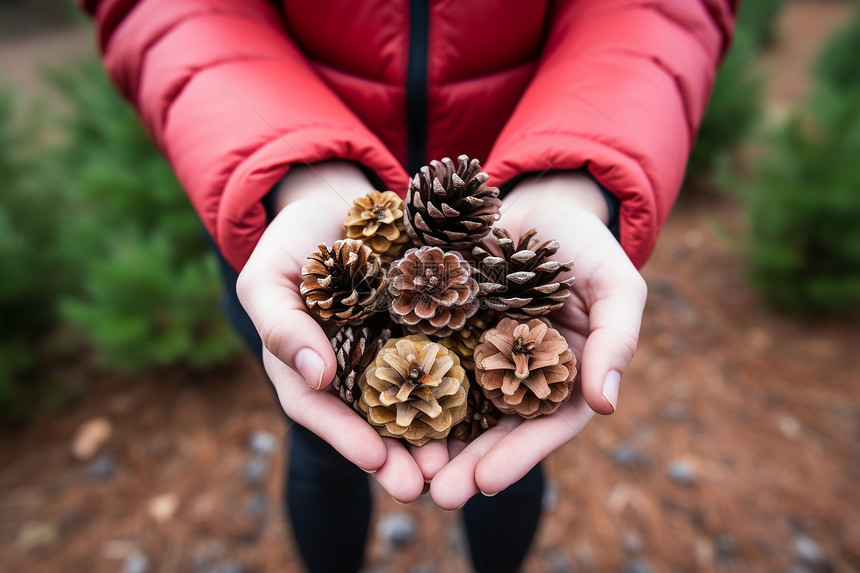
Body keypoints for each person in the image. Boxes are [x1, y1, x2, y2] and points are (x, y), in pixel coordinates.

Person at [82, 0, 737, 570]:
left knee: (505, 458)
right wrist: (290, 165)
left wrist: (577, 172)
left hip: (514, 167)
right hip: (286, 223)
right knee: (319, 438)